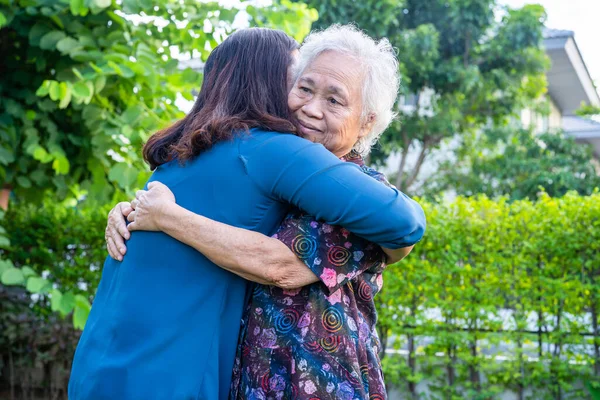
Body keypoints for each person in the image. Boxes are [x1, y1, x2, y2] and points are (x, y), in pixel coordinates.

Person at [71, 27, 425, 400]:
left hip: (109, 366)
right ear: (272, 82)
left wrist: (165, 217)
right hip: (178, 375)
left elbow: (404, 226)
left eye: (334, 100)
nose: (308, 107)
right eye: (301, 86)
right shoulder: (273, 155)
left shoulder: (181, 158)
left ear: (367, 121)